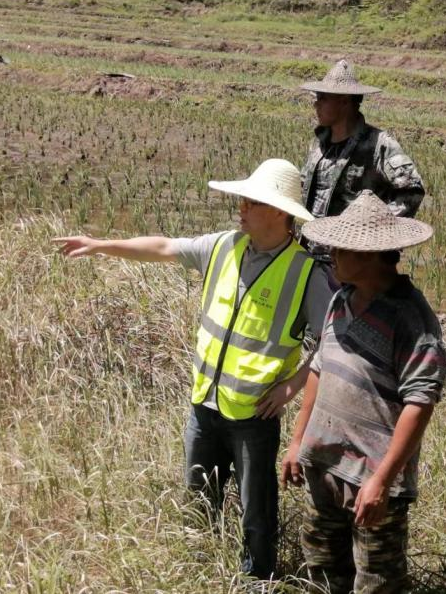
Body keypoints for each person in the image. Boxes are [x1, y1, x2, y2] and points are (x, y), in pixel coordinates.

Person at [54, 159, 333, 580]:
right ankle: (200, 569)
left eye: (251, 202)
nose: (240, 207)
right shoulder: (223, 246)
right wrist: (101, 244)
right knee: (200, 498)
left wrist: (291, 387)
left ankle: (257, 582)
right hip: (204, 404)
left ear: (279, 212)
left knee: (256, 512)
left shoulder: (305, 272)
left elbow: (333, 341)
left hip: (253, 416)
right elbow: (165, 248)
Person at [281, 190, 446, 594]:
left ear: (371, 254)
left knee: (377, 583)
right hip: (323, 465)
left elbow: (419, 403)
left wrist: (383, 481)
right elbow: (320, 369)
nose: (332, 255)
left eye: (341, 248)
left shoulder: (412, 318)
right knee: (322, 571)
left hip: (370, 478)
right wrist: (297, 442)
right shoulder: (341, 299)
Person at [299, 60, 425, 259]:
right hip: (308, 255)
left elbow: (412, 191)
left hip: (351, 261)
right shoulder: (318, 145)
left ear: (344, 101)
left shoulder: (378, 145)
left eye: (323, 98)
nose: (316, 104)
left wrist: (373, 232)